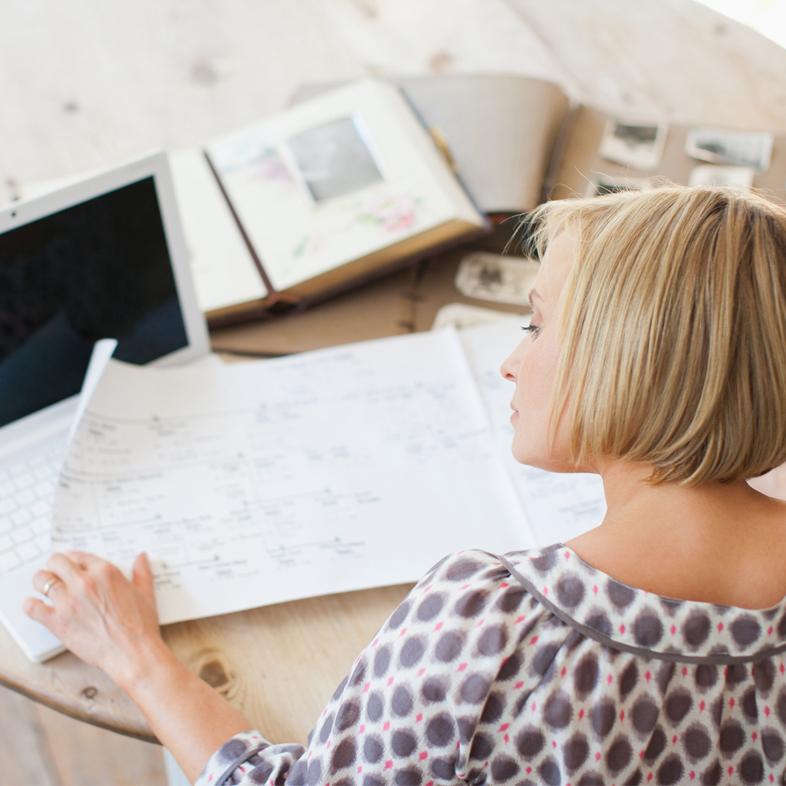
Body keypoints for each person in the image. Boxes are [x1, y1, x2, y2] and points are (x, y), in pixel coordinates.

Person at [24, 184, 786, 785]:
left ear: (628, 357)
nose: (510, 362)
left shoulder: (493, 626)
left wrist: (135, 657)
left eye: (535, 325)